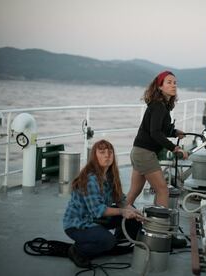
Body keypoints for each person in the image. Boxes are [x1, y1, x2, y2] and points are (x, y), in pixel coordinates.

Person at [63, 139, 143, 268]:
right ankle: (77, 250)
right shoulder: (90, 179)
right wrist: (123, 212)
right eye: (102, 152)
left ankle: (116, 242)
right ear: (94, 156)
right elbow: (98, 210)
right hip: (79, 224)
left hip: (96, 218)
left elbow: (120, 200)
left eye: (110, 152)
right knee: (107, 241)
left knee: (133, 219)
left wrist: (133, 211)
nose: (107, 155)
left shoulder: (110, 176)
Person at [127, 70, 188, 208]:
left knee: (134, 191)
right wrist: (174, 148)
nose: (173, 85)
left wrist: (174, 132)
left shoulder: (161, 106)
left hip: (138, 152)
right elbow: (155, 133)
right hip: (145, 153)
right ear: (160, 87)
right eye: (169, 82)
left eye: (175, 83)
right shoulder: (158, 106)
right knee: (162, 190)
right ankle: (160, 226)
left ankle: (122, 216)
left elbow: (159, 129)